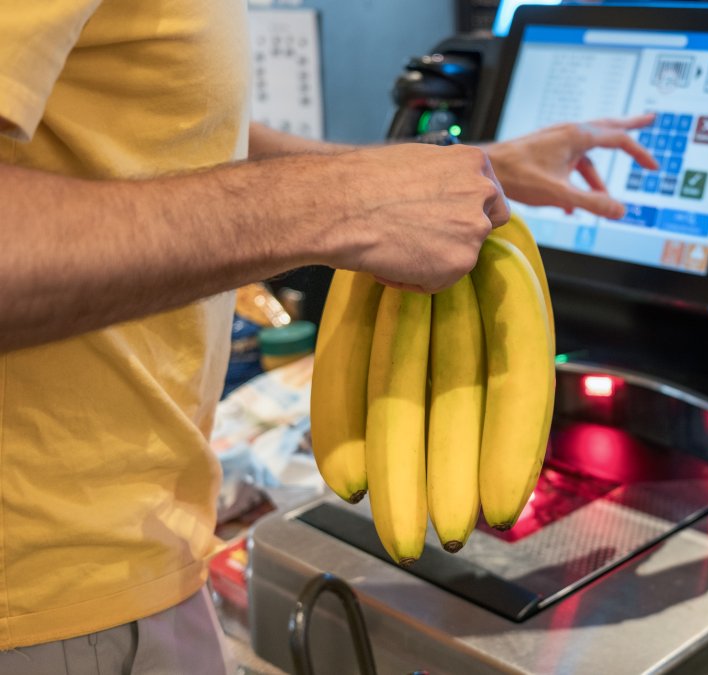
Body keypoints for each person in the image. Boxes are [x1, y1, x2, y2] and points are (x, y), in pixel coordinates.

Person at [0, 2, 655, 672]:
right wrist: (337, 206)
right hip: (50, 602)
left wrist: (447, 174)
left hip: (122, 561)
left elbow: (154, 130)